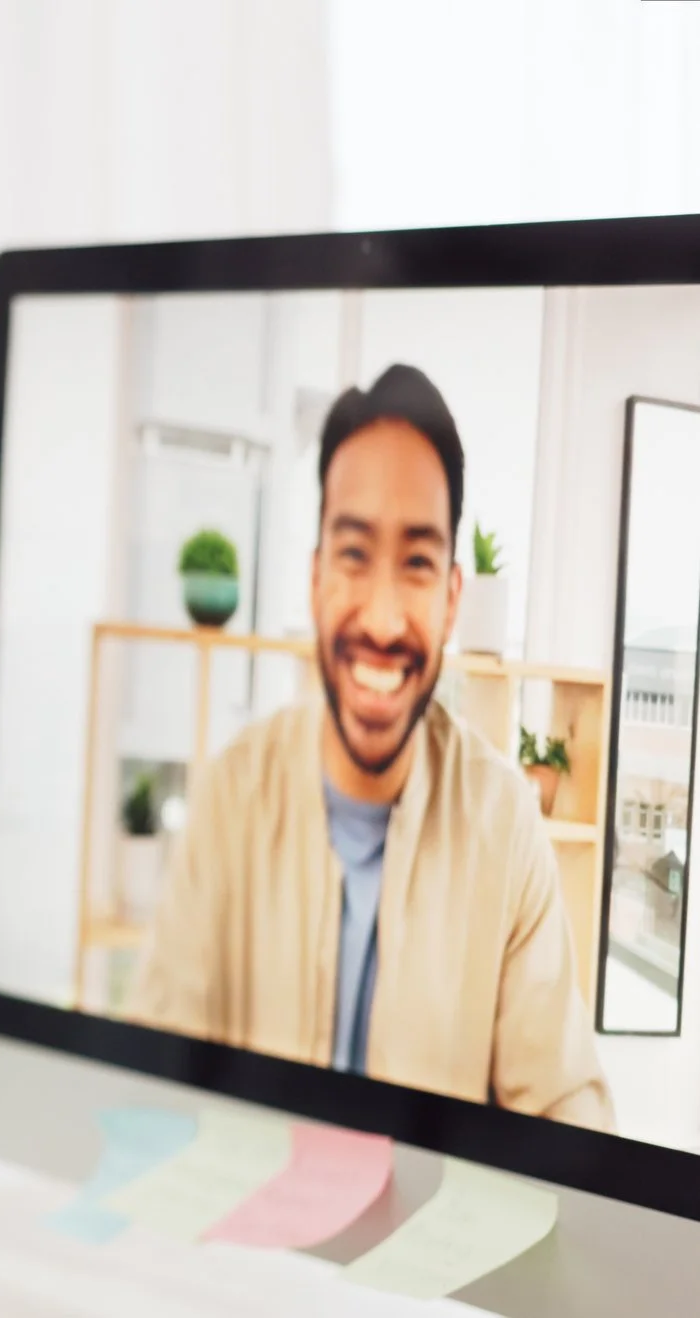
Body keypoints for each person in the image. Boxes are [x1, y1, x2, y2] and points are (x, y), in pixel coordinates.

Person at [132, 363, 613, 1131]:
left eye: (417, 563)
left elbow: (567, 1116)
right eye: (354, 554)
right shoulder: (232, 794)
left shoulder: (505, 825)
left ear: (452, 599)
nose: (384, 622)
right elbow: (154, 1085)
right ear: (316, 579)